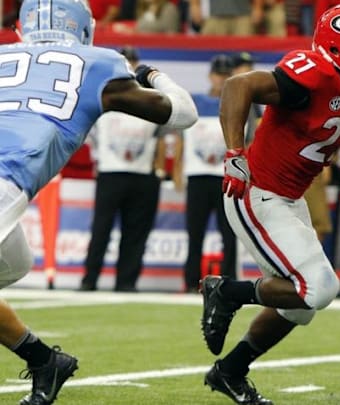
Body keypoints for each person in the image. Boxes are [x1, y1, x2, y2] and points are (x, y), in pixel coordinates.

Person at [198, 4, 340, 405]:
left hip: (290, 198)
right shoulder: (314, 73)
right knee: (319, 288)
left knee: (300, 306)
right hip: (256, 191)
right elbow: (238, 87)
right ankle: (227, 292)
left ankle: (229, 371)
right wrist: (235, 153)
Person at [0, 0, 197, 403]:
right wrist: (154, 76)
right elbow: (185, 113)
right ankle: (44, 360)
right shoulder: (99, 62)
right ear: (83, 28)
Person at [80, 47, 169, 292]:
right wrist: (100, 160)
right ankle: (90, 279)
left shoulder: (150, 98)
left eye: (132, 63)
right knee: (101, 229)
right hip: (111, 171)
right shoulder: (102, 96)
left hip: (142, 174)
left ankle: (127, 281)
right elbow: (89, 134)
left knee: (136, 232)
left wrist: (158, 171)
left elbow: (161, 136)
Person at [175, 54, 238, 292]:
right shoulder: (196, 103)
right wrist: (178, 167)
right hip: (198, 175)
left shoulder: (240, 103)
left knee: (229, 235)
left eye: (226, 75)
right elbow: (182, 136)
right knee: (195, 232)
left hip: (227, 178)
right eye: (219, 74)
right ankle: (191, 281)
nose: (222, 80)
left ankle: (227, 283)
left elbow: (250, 141)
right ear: (211, 76)